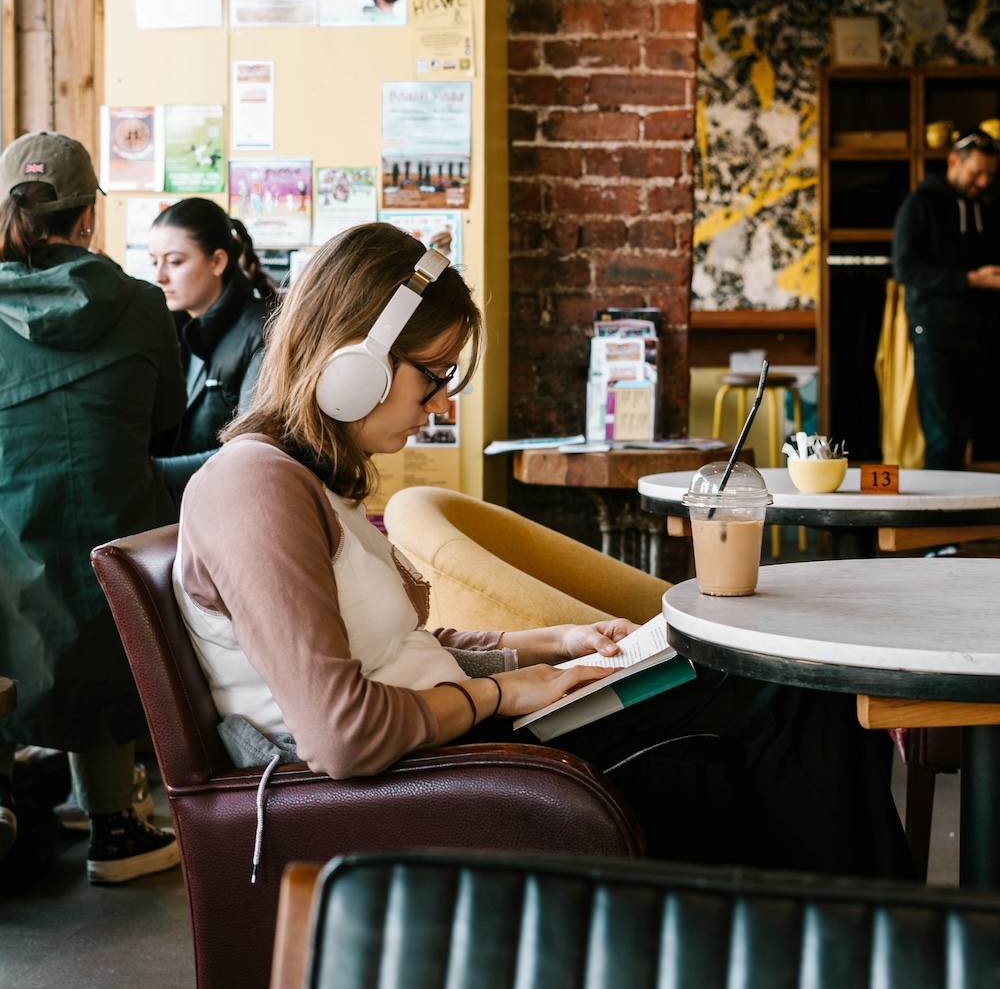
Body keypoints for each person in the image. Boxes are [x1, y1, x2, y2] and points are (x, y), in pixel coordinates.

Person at [173, 222, 915, 880]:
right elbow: (344, 734)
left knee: (791, 689)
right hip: (430, 784)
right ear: (351, 366)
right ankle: (884, 952)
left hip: (455, 749)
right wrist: (503, 692)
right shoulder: (252, 489)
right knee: (791, 703)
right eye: (433, 376)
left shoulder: (300, 480)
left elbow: (394, 654)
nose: (441, 404)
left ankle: (858, 946)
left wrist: (547, 644)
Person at [0, 130, 185, 882]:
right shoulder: (141, 305)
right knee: (102, 615)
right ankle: (115, 824)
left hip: (9, 538)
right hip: (117, 538)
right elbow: (166, 420)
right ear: (87, 217)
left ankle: (9, 806)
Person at [148, 198, 276, 503]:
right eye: (154, 262)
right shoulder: (172, 327)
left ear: (217, 262)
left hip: (230, 509)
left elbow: (250, 453)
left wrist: (150, 472)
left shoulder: (264, 332)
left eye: (175, 262)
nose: (159, 276)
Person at [893, 127, 1000, 470]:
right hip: (935, 331)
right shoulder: (920, 204)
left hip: (982, 332)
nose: (984, 181)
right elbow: (905, 269)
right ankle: (944, 507)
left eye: (990, 174)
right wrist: (970, 279)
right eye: (977, 172)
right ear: (954, 161)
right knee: (943, 439)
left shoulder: (988, 205)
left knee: (979, 436)